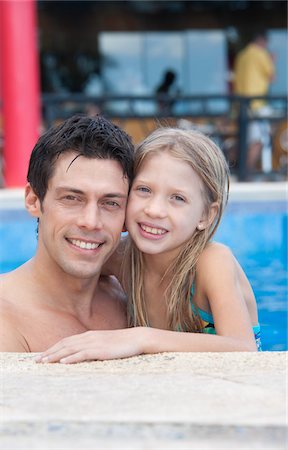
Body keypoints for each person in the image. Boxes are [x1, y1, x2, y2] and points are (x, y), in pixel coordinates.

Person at [36, 126, 261, 364]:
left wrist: (140, 339)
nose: (154, 210)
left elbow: (243, 349)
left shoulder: (212, 262)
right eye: (144, 190)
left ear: (206, 215)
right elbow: (59, 271)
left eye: (178, 198)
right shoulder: (122, 257)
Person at [0, 114, 134, 352]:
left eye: (110, 203)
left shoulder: (131, 298)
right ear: (33, 201)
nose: (91, 222)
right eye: (71, 198)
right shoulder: (6, 318)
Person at [233, 30, 275, 172]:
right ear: (262, 41)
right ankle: (248, 171)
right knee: (260, 140)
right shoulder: (261, 54)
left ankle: (242, 169)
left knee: (247, 140)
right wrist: (271, 60)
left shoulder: (242, 55)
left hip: (242, 104)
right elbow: (271, 77)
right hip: (257, 103)